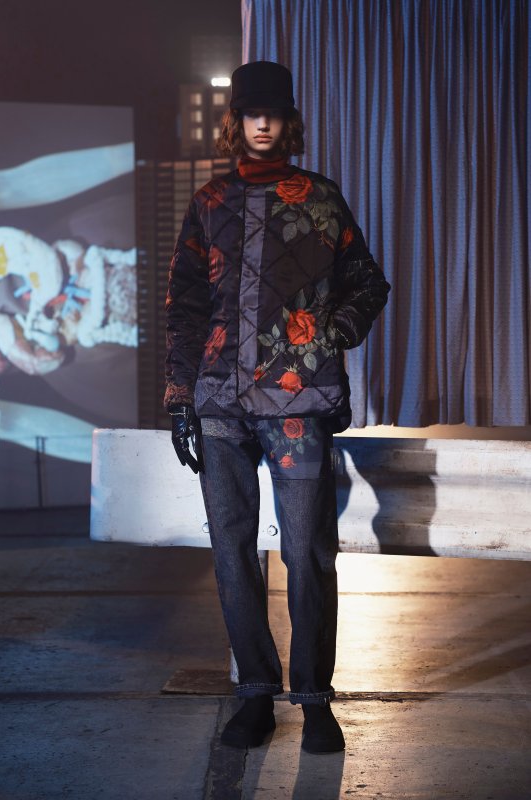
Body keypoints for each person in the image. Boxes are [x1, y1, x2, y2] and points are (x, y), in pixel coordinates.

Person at [165, 61, 391, 753]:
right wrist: (180, 397)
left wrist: (331, 334)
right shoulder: (209, 202)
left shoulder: (319, 198)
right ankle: (255, 694)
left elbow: (366, 282)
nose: (262, 123)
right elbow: (185, 304)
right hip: (220, 402)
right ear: (236, 120)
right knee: (232, 550)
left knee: (307, 551)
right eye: (251, 112)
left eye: (273, 112)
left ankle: (315, 702)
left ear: (288, 119)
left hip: (298, 400)